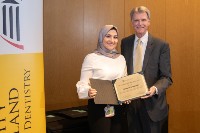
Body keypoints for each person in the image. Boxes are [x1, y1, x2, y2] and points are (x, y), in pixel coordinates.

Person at [121, 6, 173, 133]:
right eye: (136, 20)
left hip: (153, 107)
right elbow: (123, 71)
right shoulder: (125, 43)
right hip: (131, 107)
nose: (140, 24)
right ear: (131, 22)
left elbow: (167, 77)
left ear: (149, 22)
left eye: (143, 20)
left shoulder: (161, 45)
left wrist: (154, 89)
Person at [76, 25, 127, 133]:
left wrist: (127, 94)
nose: (112, 40)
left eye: (115, 37)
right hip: (98, 107)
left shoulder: (121, 58)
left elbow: (124, 81)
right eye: (108, 36)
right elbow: (83, 83)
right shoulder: (91, 58)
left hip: (118, 107)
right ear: (101, 37)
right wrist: (87, 91)